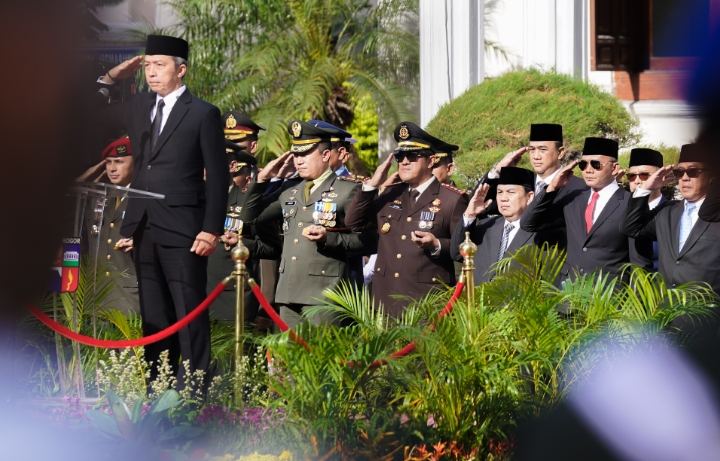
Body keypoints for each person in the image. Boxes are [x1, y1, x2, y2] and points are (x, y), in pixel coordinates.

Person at [97, 35, 228, 380]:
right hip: (143, 227)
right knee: (154, 317)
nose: (151, 73)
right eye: (147, 66)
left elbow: (218, 175)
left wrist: (211, 229)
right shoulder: (139, 105)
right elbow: (93, 114)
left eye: (159, 65)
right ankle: (158, 391)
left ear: (180, 70)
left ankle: (194, 392)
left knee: (188, 313)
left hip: (185, 229)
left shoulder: (202, 113)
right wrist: (111, 77)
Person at [239, 119, 376, 328]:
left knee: (323, 350)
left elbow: (370, 240)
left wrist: (329, 238)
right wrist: (262, 180)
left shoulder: (348, 189)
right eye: (296, 154)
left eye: (305, 154)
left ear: (325, 155)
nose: (298, 160)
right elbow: (250, 217)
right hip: (288, 293)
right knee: (289, 350)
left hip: (325, 295)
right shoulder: (289, 189)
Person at [344, 122, 469, 317]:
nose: (404, 161)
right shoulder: (391, 193)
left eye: (412, 156)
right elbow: (354, 223)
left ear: (431, 161)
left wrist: (436, 244)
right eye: (399, 156)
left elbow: (463, 247)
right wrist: (372, 185)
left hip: (425, 304)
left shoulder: (452, 199)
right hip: (385, 303)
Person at [521, 137, 653, 286]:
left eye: (596, 164)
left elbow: (640, 264)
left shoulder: (631, 204)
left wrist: (637, 300)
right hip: (570, 292)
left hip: (608, 295)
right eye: (583, 165)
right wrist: (551, 188)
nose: (588, 170)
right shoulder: (573, 200)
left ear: (615, 168)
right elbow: (528, 224)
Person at [620, 144, 720, 294]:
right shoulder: (667, 211)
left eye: (692, 172)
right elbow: (630, 227)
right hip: (667, 305)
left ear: (711, 176)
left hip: (705, 307)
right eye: (679, 172)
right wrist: (645, 189)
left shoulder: (716, 216)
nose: (684, 178)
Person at [206, 141, 281, 323]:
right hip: (192, 295)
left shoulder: (248, 203)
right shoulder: (191, 200)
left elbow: (272, 248)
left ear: (232, 166)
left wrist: (241, 243)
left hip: (230, 299)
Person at [80, 137, 140, 314]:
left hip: (130, 299)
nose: (112, 168)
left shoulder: (145, 197)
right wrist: (80, 183)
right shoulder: (98, 197)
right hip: (96, 298)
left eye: (119, 162)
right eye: (108, 162)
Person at [450, 167, 537, 283]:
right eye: (499, 192)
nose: (503, 198)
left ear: (529, 197)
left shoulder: (539, 232)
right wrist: (470, 215)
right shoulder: (487, 226)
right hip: (482, 294)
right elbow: (457, 254)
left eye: (511, 192)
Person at [624, 148, 666, 270]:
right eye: (632, 176)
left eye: (644, 175)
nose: (637, 181)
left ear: (661, 177)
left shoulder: (672, 212)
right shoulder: (620, 210)